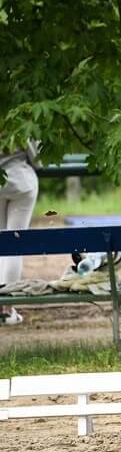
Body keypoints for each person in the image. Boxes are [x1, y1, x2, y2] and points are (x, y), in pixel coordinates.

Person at [0, 139, 40, 325]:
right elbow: (38, 157)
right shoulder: (19, 111)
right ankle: (8, 309)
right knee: (14, 245)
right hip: (20, 181)